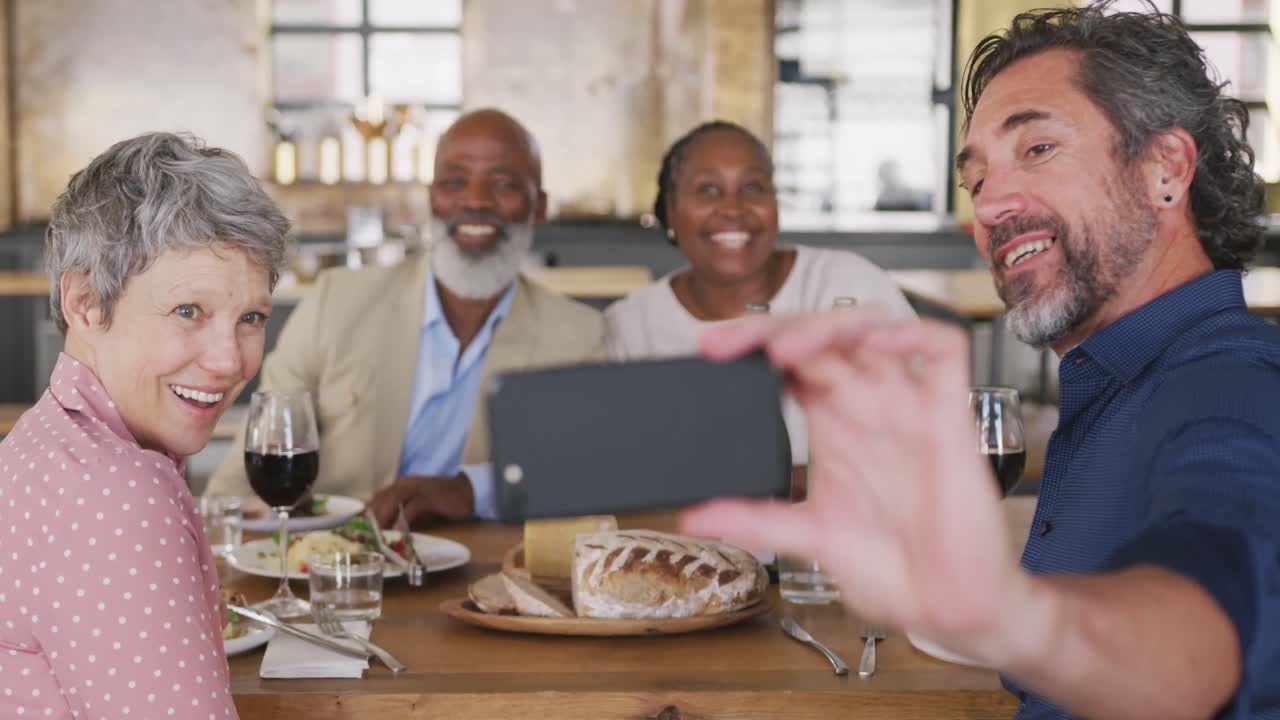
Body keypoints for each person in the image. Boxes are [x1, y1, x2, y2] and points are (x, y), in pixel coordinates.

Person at [681, 3, 1280, 719]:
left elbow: (1213, 623)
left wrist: (1007, 613)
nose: (992, 206)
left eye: (1037, 150)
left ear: (1166, 167)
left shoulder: (1230, 388)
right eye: (976, 181)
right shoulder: (1118, 385)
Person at [0, 132, 290, 718]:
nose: (230, 360)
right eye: (189, 311)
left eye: (251, 317)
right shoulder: (113, 497)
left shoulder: (45, 444)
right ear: (84, 301)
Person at [205, 109, 606, 527]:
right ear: (432, 198)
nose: (476, 201)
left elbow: (584, 475)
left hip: (483, 578)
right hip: (332, 568)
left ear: (538, 207)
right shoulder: (336, 303)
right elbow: (241, 484)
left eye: (503, 184)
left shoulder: (578, 335)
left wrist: (472, 490)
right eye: (455, 181)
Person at [605, 120, 915, 463]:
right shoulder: (630, 327)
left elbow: (920, 431)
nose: (734, 208)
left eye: (753, 188)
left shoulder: (851, 287)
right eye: (708, 190)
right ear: (670, 212)